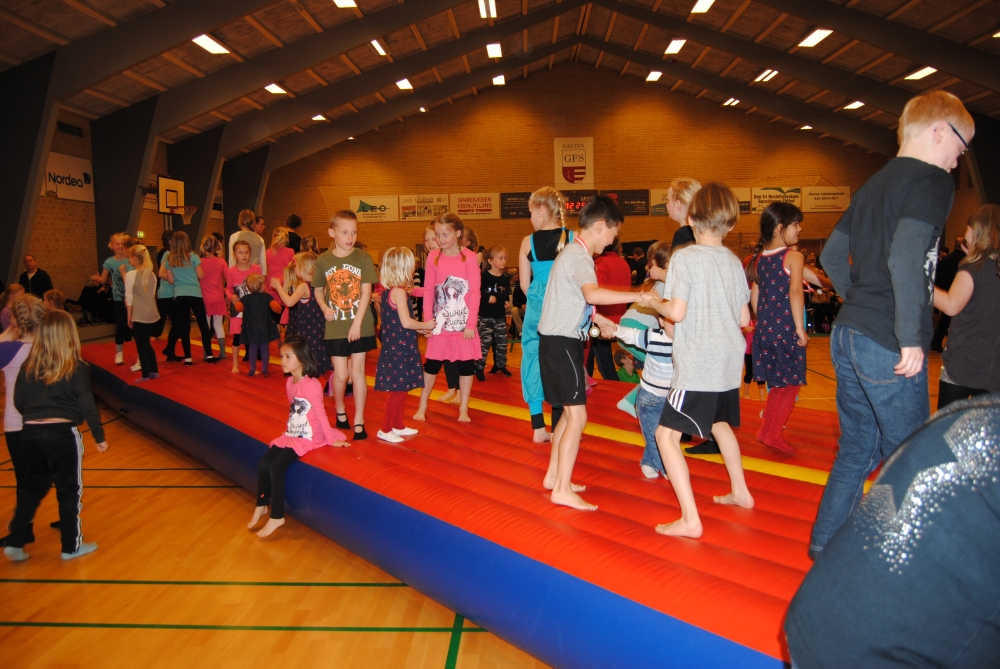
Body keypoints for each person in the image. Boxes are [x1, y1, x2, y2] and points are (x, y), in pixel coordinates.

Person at [811, 90, 974, 558]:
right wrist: (908, 335)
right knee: (909, 456)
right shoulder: (931, 180)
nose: (958, 161)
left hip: (849, 333)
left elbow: (830, 256)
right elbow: (905, 256)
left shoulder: (874, 182)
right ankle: (902, 563)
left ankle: (825, 547)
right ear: (940, 131)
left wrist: (859, 302)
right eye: (960, 147)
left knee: (858, 447)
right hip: (887, 338)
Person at [785, 393, 1000, 669]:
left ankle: (821, 545)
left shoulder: (973, 412)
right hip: (870, 650)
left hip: (811, 615)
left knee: (857, 450)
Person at [638, 183, 753, 538]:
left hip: (699, 363)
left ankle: (690, 518)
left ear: (690, 218)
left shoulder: (685, 258)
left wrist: (653, 302)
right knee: (719, 423)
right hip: (728, 362)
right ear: (730, 224)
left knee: (665, 436)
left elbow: (677, 312)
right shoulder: (733, 262)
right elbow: (744, 318)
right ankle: (741, 491)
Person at [538, 195, 635, 511]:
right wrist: (639, 295)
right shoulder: (579, 257)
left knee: (568, 414)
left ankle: (555, 477)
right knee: (578, 417)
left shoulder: (572, 253)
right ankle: (562, 489)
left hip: (556, 341)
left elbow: (576, 302)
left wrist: (601, 320)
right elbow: (591, 294)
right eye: (613, 234)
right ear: (600, 226)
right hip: (562, 343)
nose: (612, 241)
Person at [4, 310, 109, 562]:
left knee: (31, 489)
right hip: (62, 434)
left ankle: (15, 542)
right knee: (69, 490)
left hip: (30, 433)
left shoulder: (29, 367)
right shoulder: (76, 367)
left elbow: (19, 400)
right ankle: (71, 547)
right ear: (70, 335)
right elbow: (87, 404)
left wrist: (35, 418)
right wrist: (98, 436)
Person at [248, 338, 348, 538]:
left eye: (288, 357)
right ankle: (261, 504)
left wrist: (330, 439)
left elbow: (320, 414)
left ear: (301, 359)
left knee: (277, 467)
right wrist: (289, 431)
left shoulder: (311, 385)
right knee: (264, 463)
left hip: (309, 435)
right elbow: (293, 410)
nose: (282, 361)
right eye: (281, 357)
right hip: (294, 432)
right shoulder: (289, 382)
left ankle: (277, 516)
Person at [746, 203, 809, 454]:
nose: (799, 229)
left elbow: (754, 295)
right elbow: (796, 292)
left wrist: (763, 324)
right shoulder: (793, 257)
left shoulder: (760, 259)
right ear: (780, 228)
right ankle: (773, 434)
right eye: (796, 224)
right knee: (791, 384)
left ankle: (765, 431)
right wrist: (799, 328)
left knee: (777, 383)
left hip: (765, 330)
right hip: (786, 330)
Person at [313, 210, 377, 439]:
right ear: (332, 233)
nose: (350, 237)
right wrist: (324, 307)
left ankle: (359, 419)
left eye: (354, 232)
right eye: (345, 232)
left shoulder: (362, 258)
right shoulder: (324, 260)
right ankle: (340, 407)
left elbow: (366, 292)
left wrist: (357, 324)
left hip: (359, 322)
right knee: (340, 375)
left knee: (357, 373)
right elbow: (318, 289)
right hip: (337, 326)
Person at [414, 213, 482, 423]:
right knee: (432, 365)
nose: (440, 239)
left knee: (466, 366)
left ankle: (464, 407)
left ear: (458, 233)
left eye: (445, 234)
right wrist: (427, 321)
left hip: (463, 323)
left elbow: (475, 292)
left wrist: (471, 324)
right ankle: (422, 405)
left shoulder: (469, 257)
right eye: (438, 235)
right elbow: (428, 290)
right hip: (440, 322)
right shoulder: (433, 257)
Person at [519, 187, 574, 443]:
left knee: (532, 359)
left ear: (541, 211)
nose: (530, 218)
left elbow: (524, 284)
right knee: (562, 360)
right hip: (563, 307)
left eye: (531, 213)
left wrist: (538, 298)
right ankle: (561, 426)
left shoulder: (527, 242)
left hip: (537, 308)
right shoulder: (573, 238)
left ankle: (538, 427)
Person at [932, 204, 1000, 409]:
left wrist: (922, 285)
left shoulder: (972, 268)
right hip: (993, 370)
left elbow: (951, 305)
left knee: (948, 425)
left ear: (977, 231)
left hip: (962, 367)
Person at [602, 312, 674, 481]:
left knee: (662, 435)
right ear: (661, 321)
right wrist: (614, 328)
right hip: (649, 400)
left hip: (670, 399)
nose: (676, 326)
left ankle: (648, 462)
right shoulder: (653, 336)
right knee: (654, 436)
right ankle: (665, 467)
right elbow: (631, 334)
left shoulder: (685, 341)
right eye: (671, 321)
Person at [374, 247, 435, 443]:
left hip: (400, 346)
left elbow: (399, 323)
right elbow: (406, 322)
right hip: (399, 349)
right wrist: (425, 325)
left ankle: (398, 425)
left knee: (403, 387)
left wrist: (421, 330)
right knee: (398, 390)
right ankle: (385, 428)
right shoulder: (399, 292)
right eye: (411, 267)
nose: (413, 271)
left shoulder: (389, 292)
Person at [0, 294, 46, 547]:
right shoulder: (50, 348)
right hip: (50, 422)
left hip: (19, 425)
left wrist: (8, 333)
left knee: (25, 477)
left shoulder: (9, 350)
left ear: (16, 321)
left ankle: (23, 531)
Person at [614, 242, 671, 418]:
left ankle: (629, 401)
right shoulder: (666, 282)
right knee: (663, 372)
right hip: (636, 328)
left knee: (657, 371)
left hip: (627, 326)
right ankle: (630, 401)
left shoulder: (651, 282)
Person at [271, 251, 331, 381]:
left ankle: (306, 384)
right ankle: (329, 379)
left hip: (307, 331)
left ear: (304, 267)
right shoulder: (322, 286)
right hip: (320, 329)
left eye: (296, 266)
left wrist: (278, 287)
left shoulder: (304, 286)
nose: (294, 268)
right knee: (319, 356)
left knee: (305, 359)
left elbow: (289, 302)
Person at [159, 231, 217, 364]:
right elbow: (201, 275)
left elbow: (171, 280)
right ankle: (209, 355)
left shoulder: (170, 259)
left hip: (180, 294)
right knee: (203, 324)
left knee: (184, 326)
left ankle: (188, 358)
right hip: (195, 293)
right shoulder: (193, 256)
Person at [417, 225, 460, 404]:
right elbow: (431, 289)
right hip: (438, 313)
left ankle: (458, 390)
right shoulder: (432, 259)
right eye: (426, 240)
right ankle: (451, 388)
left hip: (451, 314)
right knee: (444, 356)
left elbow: (443, 288)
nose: (429, 243)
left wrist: (415, 291)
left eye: (432, 239)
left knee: (453, 354)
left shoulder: (447, 258)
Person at [588, 235, 632, 381]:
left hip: (602, 320)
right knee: (594, 357)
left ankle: (610, 386)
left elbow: (596, 294)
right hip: (619, 317)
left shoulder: (600, 263)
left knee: (603, 364)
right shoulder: (623, 262)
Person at [125, 244, 160, 382]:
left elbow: (129, 297)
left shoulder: (131, 275)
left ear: (134, 258)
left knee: (141, 345)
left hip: (140, 314)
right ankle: (154, 370)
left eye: (129, 258)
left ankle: (145, 374)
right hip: (152, 313)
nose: (129, 260)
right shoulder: (152, 275)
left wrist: (129, 315)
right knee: (146, 343)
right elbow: (152, 294)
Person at [226, 240, 262, 374]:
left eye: (246, 252)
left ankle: (253, 366)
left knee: (252, 339)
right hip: (238, 309)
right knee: (237, 338)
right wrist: (231, 297)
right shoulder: (231, 271)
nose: (244, 255)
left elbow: (262, 286)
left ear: (250, 253)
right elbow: (228, 288)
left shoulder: (256, 269)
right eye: (240, 253)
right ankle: (235, 364)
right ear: (235, 254)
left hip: (253, 310)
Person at [235, 274, 280, 377]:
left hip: (251, 328)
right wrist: (279, 309)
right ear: (262, 286)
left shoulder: (246, 298)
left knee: (252, 348)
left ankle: (252, 368)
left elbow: (238, 307)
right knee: (264, 348)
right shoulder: (267, 297)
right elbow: (276, 308)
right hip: (264, 327)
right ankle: (264, 368)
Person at [477, 246, 511, 378]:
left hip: (499, 316)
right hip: (485, 316)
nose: (504, 261)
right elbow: (477, 293)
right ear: (490, 261)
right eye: (500, 258)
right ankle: (479, 366)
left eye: (505, 258)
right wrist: (487, 298)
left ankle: (500, 364)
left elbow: (505, 292)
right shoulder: (484, 276)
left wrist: (506, 301)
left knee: (501, 342)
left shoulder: (505, 277)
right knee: (484, 342)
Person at [929, 235, 968, 352]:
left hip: (942, 291)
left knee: (945, 320)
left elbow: (937, 276)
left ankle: (936, 341)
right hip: (956, 293)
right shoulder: (964, 261)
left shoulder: (946, 259)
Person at [100, 233, 132, 365]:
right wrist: (98, 280)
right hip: (119, 297)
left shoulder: (130, 260)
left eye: (122, 244)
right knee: (122, 324)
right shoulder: (110, 262)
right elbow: (103, 278)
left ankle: (134, 350)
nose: (120, 246)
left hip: (132, 297)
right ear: (112, 246)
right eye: (117, 244)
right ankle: (119, 352)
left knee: (132, 325)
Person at [198, 235, 229, 362]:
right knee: (218, 325)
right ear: (216, 247)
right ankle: (222, 352)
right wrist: (227, 292)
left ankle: (207, 353)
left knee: (205, 326)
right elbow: (229, 278)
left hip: (205, 298)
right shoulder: (221, 261)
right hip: (218, 297)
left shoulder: (199, 262)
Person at [265, 227, 294, 326]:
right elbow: (292, 269)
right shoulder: (290, 252)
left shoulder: (269, 252)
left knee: (274, 318)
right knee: (286, 316)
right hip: (285, 285)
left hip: (272, 285)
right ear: (286, 238)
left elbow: (267, 270)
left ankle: (276, 334)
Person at [665, 177, 702, 252]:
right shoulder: (704, 232)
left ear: (678, 204)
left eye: (668, 200)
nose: (666, 205)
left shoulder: (682, 235)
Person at [228, 209, 268, 275]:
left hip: (239, 274)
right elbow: (263, 262)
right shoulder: (260, 239)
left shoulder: (234, 237)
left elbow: (232, 260)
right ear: (253, 223)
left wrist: (230, 274)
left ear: (239, 222)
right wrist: (263, 275)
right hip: (255, 275)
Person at [152, 229, 174, 338]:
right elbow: (161, 273)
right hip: (167, 289)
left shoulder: (161, 252)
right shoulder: (168, 254)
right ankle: (154, 334)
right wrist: (173, 279)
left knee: (162, 314)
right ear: (170, 241)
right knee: (164, 314)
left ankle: (155, 335)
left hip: (164, 289)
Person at [741, 314, 766, 401]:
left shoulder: (762, 322)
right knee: (749, 373)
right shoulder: (746, 322)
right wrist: (745, 330)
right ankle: (746, 393)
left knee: (761, 374)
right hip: (749, 351)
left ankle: (762, 396)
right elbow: (738, 333)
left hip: (760, 352)